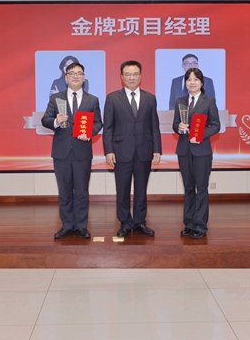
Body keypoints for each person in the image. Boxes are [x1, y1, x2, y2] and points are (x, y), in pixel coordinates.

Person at [42, 62, 102, 239]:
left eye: (79, 73)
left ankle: (81, 226)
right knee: (65, 191)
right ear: (66, 77)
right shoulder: (56, 98)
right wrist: (56, 121)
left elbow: (98, 123)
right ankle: (67, 225)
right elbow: (45, 119)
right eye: (72, 73)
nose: (76, 76)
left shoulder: (92, 100)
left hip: (82, 151)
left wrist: (89, 133)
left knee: (82, 191)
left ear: (84, 78)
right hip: (61, 152)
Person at [103, 60, 162, 238]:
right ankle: (125, 223)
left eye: (135, 74)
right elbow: (108, 128)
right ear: (122, 77)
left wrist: (157, 149)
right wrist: (109, 150)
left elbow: (154, 126)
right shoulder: (113, 98)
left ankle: (139, 222)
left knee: (141, 190)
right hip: (121, 151)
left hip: (144, 150)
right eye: (128, 74)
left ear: (140, 76)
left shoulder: (150, 98)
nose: (131, 77)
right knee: (122, 189)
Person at [172, 68, 220, 239]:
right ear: (185, 83)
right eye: (189, 79)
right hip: (184, 150)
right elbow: (175, 124)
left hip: (202, 151)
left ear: (201, 82)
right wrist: (179, 127)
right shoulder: (180, 101)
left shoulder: (209, 101)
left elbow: (216, 125)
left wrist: (200, 135)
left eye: (195, 79)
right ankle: (189, 223)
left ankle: (200, 225)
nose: (192, 82)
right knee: (188, 188)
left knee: (201, 188)